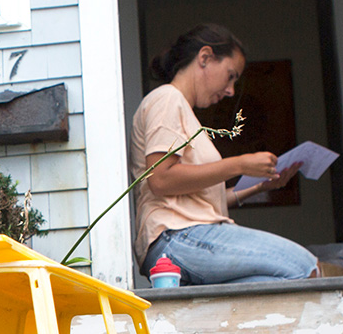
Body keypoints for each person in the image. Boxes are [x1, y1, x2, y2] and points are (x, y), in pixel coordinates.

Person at [130, 23, 320, 285]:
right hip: (175, 237)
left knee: (278, 286)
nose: (231, 90)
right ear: (205, 57)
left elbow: (198, 200)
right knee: (305, 266)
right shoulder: (167, 99)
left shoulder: (184, 112)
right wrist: (240, 164)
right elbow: (161, 179)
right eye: (230, 75)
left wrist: (260, 186)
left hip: (185, 237)